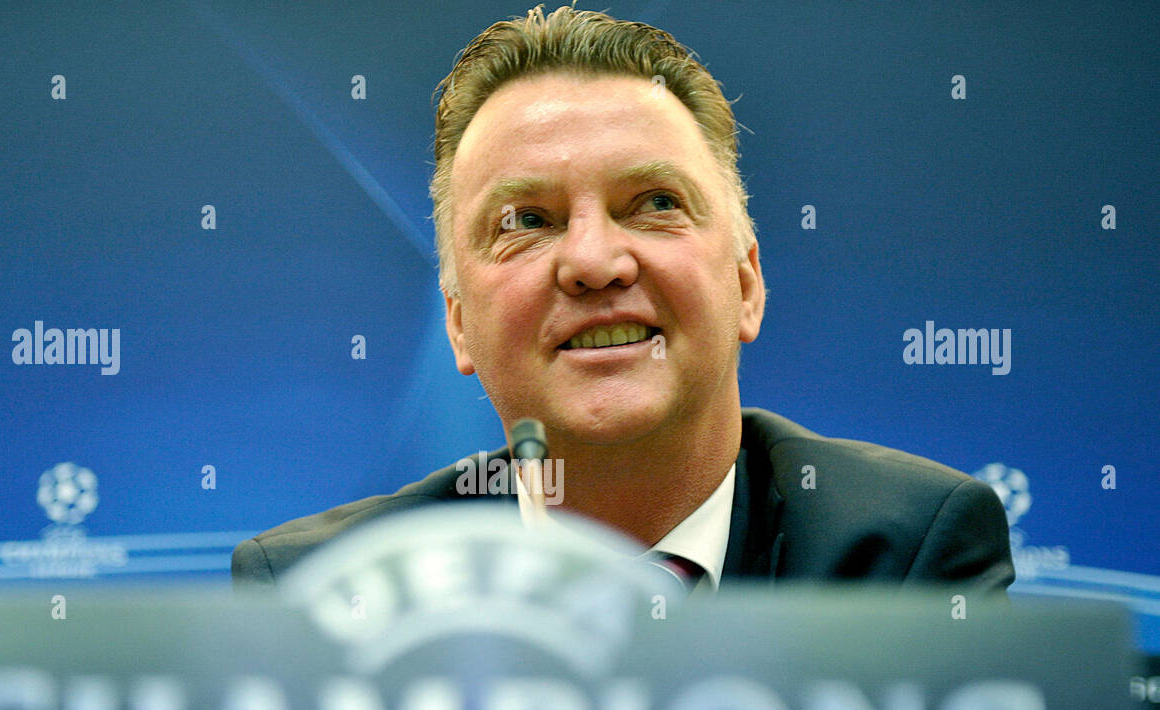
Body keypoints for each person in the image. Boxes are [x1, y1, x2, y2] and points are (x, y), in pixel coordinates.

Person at [232, 5, 1013, 595]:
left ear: (746, 283)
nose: (594, 261)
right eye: (525, 221)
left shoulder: (906, 560)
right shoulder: (326, 595)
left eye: (654, 203)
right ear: (459, 323)